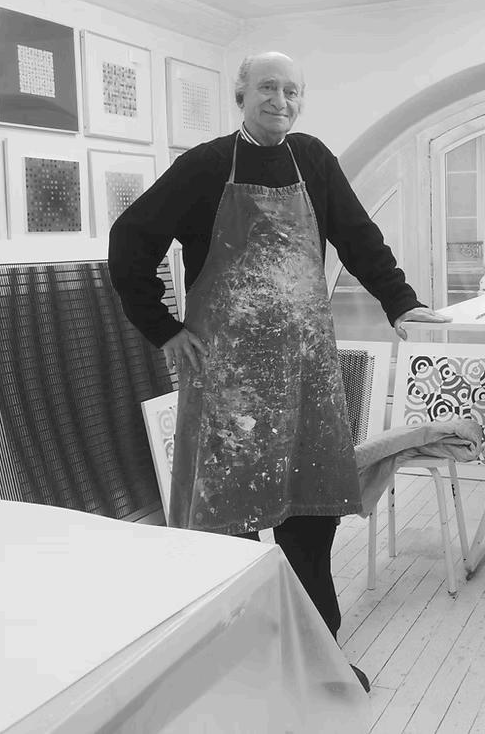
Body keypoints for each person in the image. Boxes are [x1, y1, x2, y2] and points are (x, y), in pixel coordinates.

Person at [108, 52, 449, 693]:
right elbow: (129, 242)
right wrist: (164, 328)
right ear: (240, 94)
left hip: (303, 373)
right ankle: (236, 655)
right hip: (228, 380)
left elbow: (358, 235)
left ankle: (318, 655)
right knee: (230, 524)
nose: (281, 100)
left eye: (293, 90)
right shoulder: (206, 165)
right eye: (268, 87)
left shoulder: (312, 158)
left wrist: (400, 301)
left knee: (310, 520)